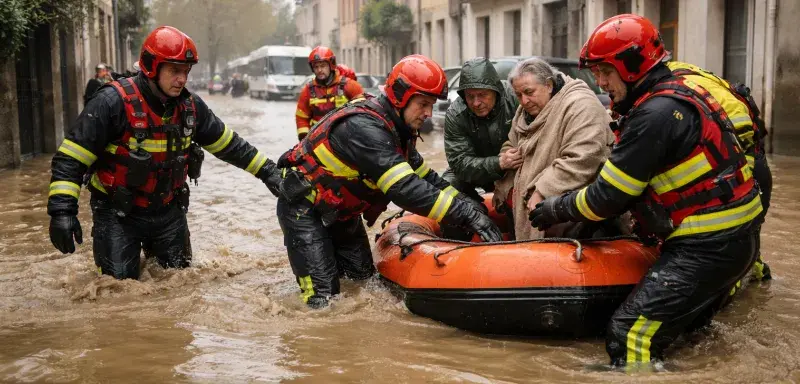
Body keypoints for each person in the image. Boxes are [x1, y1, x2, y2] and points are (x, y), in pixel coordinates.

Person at [529, 14, 764, 367]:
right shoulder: (671, 97)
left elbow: (608, 196)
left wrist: (555, 208)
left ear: (632, 65)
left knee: (628, 335)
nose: (600, 83)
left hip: (709, 246)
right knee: (691, 333)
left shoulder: (655, 114)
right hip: (733, 239)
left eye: (605, 72)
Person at [47, 26, 283, 280]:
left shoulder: (191, 107)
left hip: (168, 212)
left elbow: (229, 145)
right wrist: (62, 212)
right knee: (116, 290)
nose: (182, 79)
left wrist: (269, 172)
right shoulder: (111, 102)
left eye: (186, 71)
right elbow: (71, 158)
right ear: (152, 67)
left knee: (180, 284)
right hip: (117, 213)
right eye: (174, 71)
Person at [276, 54, 503, 308]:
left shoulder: (396, 129)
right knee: (324, 301)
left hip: (341, 212)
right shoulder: (366, 128)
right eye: (423, 104)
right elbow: (405, 189)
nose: (429, 114)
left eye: (431, 106)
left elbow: (425, 178)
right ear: (401, 96)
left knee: (363, 281)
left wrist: (466, 203)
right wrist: (466, 215)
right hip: (305, 212)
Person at [493, 58, 614, 241]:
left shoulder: (581, 105)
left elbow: (582, 158)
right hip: (527, 210)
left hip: (573, 214)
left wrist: (542, 190)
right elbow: (512, 141)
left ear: (549, 85)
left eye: (529, 92)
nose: (524, 101)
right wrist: (507, 155)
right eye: (518, 95)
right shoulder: (525, 111)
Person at [443, 58, 519, 206]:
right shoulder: (455, 114)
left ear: (495, 90)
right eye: (470, 96)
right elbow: (459, 163)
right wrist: (498, 163)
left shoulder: (515, 98)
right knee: (445, 188)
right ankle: (473, 212)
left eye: (483, 95)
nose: (476, 103)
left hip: (513, 166)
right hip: (476, 171)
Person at [294, 46, 364, 141]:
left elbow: (364, 112)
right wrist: (304, 138)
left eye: (323, 66)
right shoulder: (308, 90)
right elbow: (301, 117)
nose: (319, 70)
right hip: (318, 140)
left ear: (331, 65)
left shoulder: (350, 85)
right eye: (316, 67)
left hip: (346, 139)